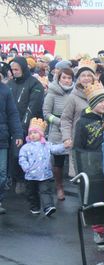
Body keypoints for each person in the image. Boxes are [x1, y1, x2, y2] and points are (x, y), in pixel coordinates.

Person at [73, 82, 104, 244]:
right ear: (92, 103)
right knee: (95, 199)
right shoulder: (83, 122)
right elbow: (78, 147)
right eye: (100, 101)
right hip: (91, 166)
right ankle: (98, 231)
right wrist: (81, 169)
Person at [8, 56, 44, 193]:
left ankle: (27, 182)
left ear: (23, 68)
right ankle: (15, 179)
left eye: (17, 69)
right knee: (13, 155)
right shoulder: (10, 84)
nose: (14, 72)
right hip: (12, 126)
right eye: (12, 69)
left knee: (27, 155)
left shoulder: (35, 84)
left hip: (30, 128)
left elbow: (32, 107)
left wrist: (22, 127)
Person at [19, 118, 68, 216]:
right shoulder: (26, 147)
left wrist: (64, 146)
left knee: (45, 191)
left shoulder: (46, 145)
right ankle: (35, 207)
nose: (32, 135)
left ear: (41, 134)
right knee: (32, 193)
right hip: (31, 175)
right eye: (31, 133)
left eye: (35, 133)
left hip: (44, 175)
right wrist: (26, 167)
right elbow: (22, 158)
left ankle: (48, 207)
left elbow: (55, 149)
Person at [43, 67, 74, 200]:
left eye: (69, 78)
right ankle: (59, 187)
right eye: (64, 78)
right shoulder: (52, 93)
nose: (67, 81)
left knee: (75, 160)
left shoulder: (75, 92)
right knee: (59, 161)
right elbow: (46, 114)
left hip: (73, 129)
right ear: (59, 78)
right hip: (57, 131)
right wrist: (59, 121)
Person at [0, 62, 22, 214]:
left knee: (2, 173)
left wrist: (18, 134)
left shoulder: (5, 90)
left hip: (2, 137)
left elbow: (13, 114)